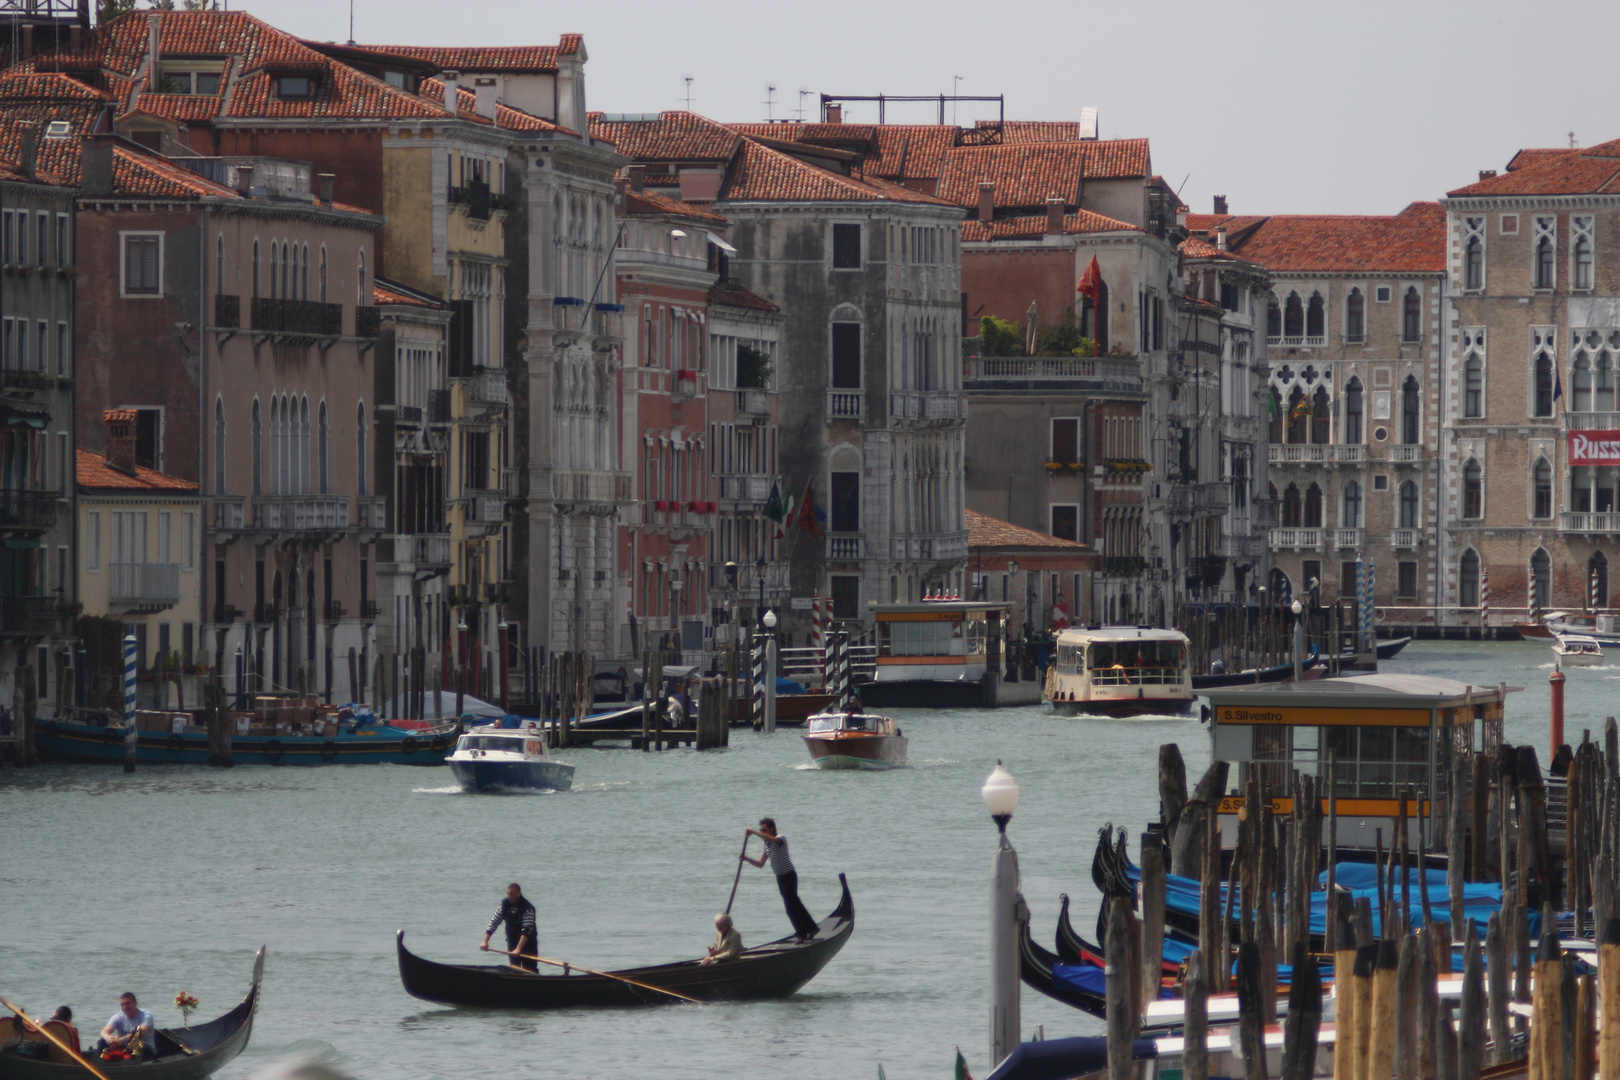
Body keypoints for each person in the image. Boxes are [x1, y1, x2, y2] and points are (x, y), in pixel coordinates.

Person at [742, 818, 819, 941]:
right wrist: (746, 859)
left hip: (789, 875)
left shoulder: (780, 838)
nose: (762, 831)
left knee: (793, 905)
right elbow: (760, 863)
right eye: (761, 829)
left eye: (764, 829)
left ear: (771, 829)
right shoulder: (766, 844)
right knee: (790, 907)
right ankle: (805, 931)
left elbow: (773, 840)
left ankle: (807, 930)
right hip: (780, 877)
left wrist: (754, 832)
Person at [480, 882, 538, 972]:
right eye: (508, 893)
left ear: (518, 894)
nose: (509, 896)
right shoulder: (504, 905)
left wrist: (518, 949)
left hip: (528, 945)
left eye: (512, 894)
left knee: (529, 970)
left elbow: (526, 930)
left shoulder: (527, 908)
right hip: (512, 942)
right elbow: (494, 922)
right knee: (514, 969)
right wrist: (485, 941)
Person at [96, 993, 154, 1060]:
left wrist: (121, 1040)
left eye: (127, 1004)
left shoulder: (146, 1015)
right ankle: (103, 1063)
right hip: (124, 1047)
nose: (125, 1007)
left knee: (139, 1046)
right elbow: (103, 1032)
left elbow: (142, 1031)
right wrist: (109, 1039)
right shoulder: (118, 1017)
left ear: (135, 1003)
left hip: (144, 1048)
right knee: (101, 1042)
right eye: (122, 1004)